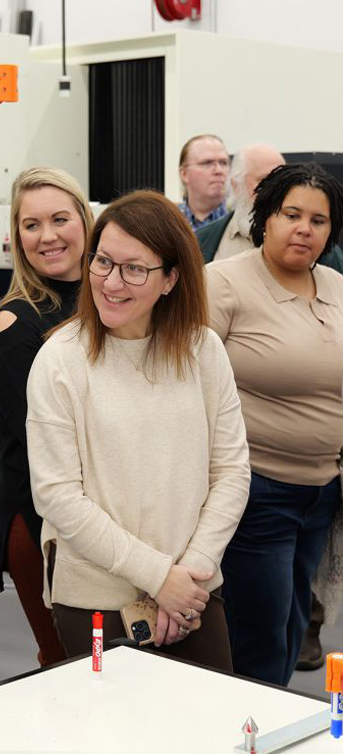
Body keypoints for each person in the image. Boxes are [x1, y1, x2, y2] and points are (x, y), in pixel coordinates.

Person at [27, 189, 250, 670]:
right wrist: (158, 578)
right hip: (95, 599)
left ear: (171, 278)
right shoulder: (61, 360)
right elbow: (58, 497)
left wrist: (185, 577)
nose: (111, 282)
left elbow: (232, 472)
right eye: (103, 261)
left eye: (134, 268)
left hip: (194, 592)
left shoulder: (203, 351)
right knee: (109, 744)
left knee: (206, 737)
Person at [206, 163, 343, 685]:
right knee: (259, 630)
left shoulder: (334, 285)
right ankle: (243, 739)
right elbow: (187, 382)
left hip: (322, 490)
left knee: (291, 626)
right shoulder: (223, 283)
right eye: (292, 214)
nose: (305, 228)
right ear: (266, 217)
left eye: (319, 220)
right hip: (257, 489)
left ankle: (263, 727)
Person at [0, 167, 92, 667]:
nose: (47, 236)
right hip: (44, 524)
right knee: (68, 665)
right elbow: (39, 454)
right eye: (31, 225)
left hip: (105, 517)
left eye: (59, 219)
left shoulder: (110, 301)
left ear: (85, 222)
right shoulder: (15, 323)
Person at [177, 134, 230, 231]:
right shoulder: (167, 222)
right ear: (184, 174)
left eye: (223, 163)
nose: (219, 170)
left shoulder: (240, 221)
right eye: (207, 163)